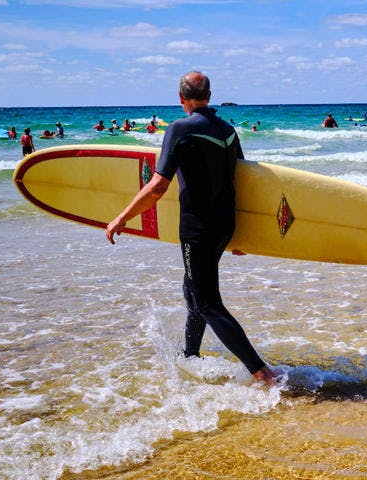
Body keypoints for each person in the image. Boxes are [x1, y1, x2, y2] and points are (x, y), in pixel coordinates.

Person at [105, 71, 278, 386]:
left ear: (180, 97)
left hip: (197, 229)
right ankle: (190, 355)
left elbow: (158, 186)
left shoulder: (180, 129)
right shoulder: (227, 131)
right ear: (209, 96)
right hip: (224, 225)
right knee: (193, 290)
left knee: (207, 301)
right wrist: (241, 235)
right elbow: (242, 182)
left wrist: (122, 217)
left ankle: (262, 372)